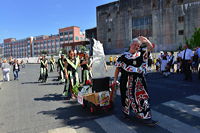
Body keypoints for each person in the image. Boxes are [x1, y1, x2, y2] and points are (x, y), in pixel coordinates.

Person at [114, 36, 157, 126]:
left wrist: (146, 41)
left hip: (139, 82)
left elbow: (150, 48)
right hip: (125, 81)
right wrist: (115, 79)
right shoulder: (122, 56)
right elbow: (117, 69)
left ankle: (146, 117)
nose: (136, 47)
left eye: (138, 46)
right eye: (135, 45)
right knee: (125, 98)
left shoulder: (141, 54)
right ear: (130, 45)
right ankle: (126, 113)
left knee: (142, 98)